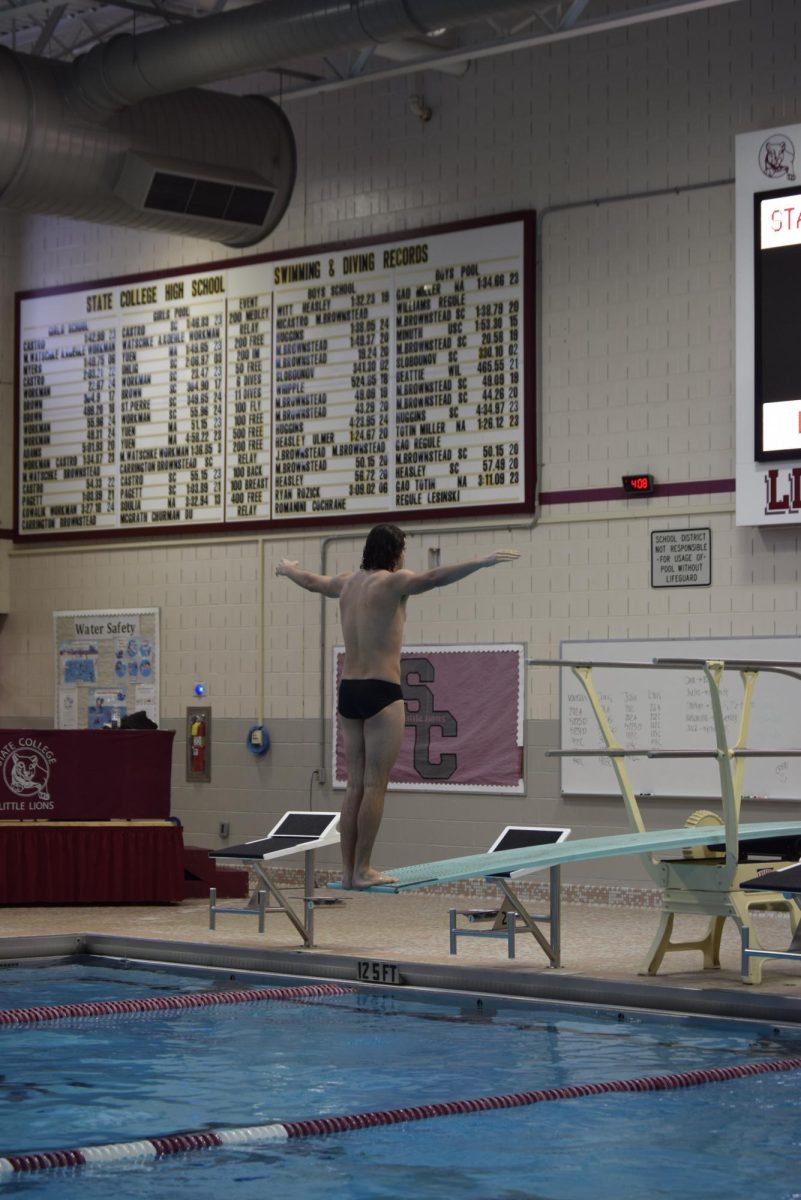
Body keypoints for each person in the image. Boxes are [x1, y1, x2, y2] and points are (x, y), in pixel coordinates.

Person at [276, 525, 519, 889]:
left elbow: (311, 581)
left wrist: (287, 569)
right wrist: (480, 562)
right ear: (395, 551)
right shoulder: (392, 582)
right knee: (375, 785)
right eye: (403, 549)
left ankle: (346, 872)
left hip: (349, 690)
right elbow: (435, 577)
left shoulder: (346, 582)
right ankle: (363, 869)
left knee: (354, 785)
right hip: (381, 690)